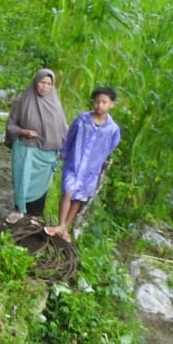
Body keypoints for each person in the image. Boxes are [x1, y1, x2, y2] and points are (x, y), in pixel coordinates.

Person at [49, 87, 122, 240]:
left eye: (104, 102)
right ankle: (61, 224)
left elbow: (112, 146)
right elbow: (70, 136)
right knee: (68, 191)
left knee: (79, 198)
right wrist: (64, 152)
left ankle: (65, 227)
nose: (100, 106)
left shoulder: (112, 129)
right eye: (97, 102)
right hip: (74, 163)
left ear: (111, 105)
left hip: (91, 169)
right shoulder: (82, 120)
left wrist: (98, 159)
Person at [4, 68, 67, 219]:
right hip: (26, 149)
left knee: (41, 183)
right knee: (23, 178)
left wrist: (65, 149)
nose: (45, 87)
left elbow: (63, 128)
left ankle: (35, 214)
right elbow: (11, 125)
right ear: (35, 82)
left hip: (47, 153)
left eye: (48, 83)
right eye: (42, 82)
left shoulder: (56, 105)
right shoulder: (24, 101)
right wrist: (24, 132)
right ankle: (19, 209)